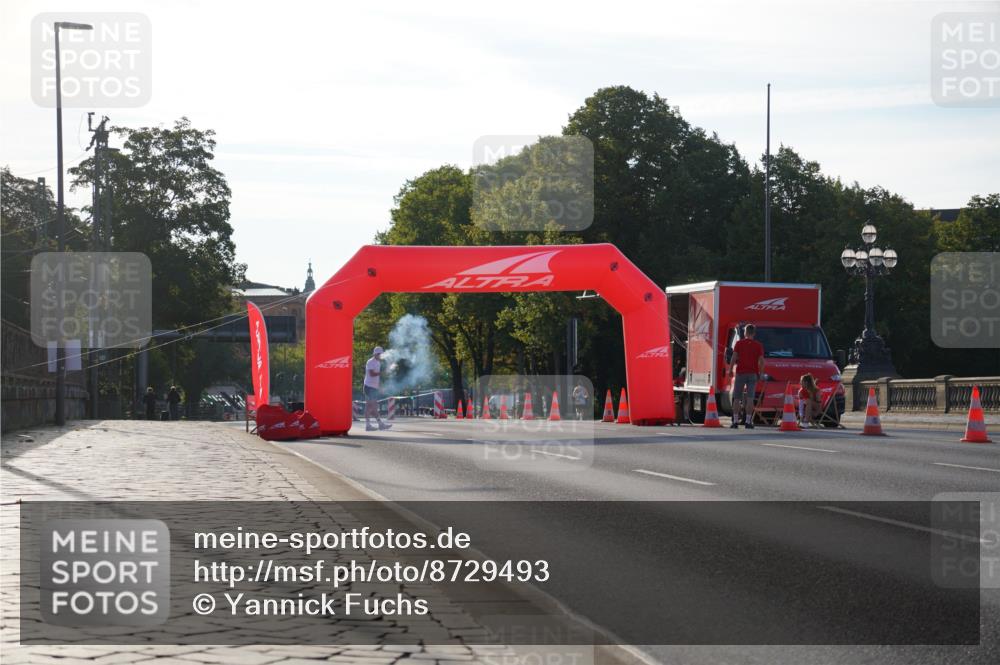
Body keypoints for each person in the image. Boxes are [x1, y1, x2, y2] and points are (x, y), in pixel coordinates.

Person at [729, 324, 765, 429]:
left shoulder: (739, 344)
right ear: (753, 333)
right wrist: (761, 373)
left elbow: (734, 357)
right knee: (750, 398)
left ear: (745, 332)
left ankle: (735, 421)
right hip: (753, 374)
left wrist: (731, 370)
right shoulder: (758, 345)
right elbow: (762, 361)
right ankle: (748, 421)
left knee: (737, 398)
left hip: (740, 373)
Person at [364, 346, 391, 432]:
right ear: (375, 354)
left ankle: (370, 425)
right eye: (378, 354)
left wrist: (379, 386)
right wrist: (382, 373)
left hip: (373, 387)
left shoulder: (378, 363)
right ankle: (379, 424)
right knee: (372, 406)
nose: (380, 355)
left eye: (380, 354)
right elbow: (372, 374)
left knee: (370, 407)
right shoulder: (371, 362)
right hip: (369, 387)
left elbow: (376, 377)